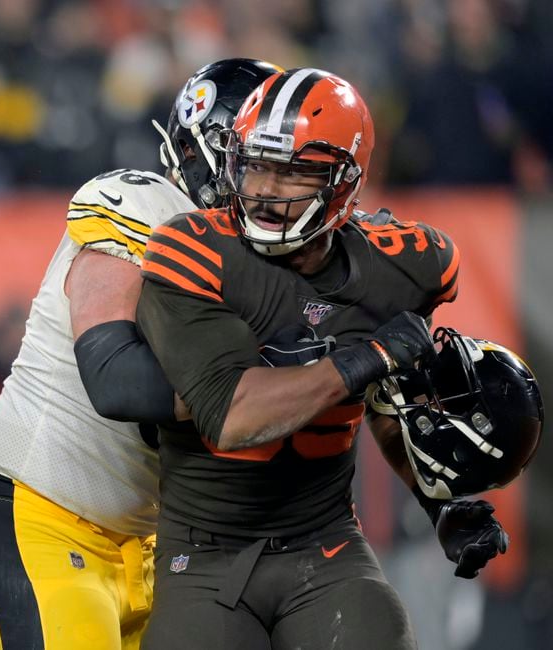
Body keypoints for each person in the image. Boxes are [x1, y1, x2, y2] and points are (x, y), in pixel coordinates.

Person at [135, 67, 509, 649]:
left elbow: (390, 405)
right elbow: (231, 415)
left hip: (324, 543)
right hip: (203, 555)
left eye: (295, 172)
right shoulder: (193, 249)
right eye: (256, 164)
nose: (265, 188)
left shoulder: (406, 266)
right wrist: (365, 357)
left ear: (344, 183)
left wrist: (441, 501)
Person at [0, 59, 281, 649]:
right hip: (39, 521)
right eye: (261, 164)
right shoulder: (145, 204)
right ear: (212, 152)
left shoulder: (269, 266)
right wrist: (259, 390)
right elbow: (115, 380)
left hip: (150, 554)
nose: (274, 187)